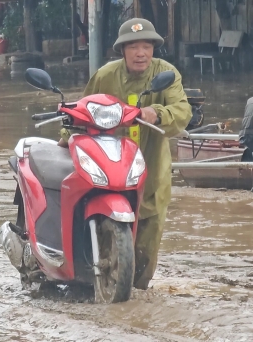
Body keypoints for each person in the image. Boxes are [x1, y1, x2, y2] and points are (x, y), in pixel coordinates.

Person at [58, 18, 192, 290]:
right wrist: (64, 138)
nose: (140, 53)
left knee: (146, 245)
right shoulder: (106, 75)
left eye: (146, 46)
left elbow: (182, 112)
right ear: (122, 51)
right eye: (133, 47)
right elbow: (82, 110)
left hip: (151, 170)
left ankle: (137, 298)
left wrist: (159, 113)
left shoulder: (167, 74)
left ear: (153, 49)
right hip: (107, 167)